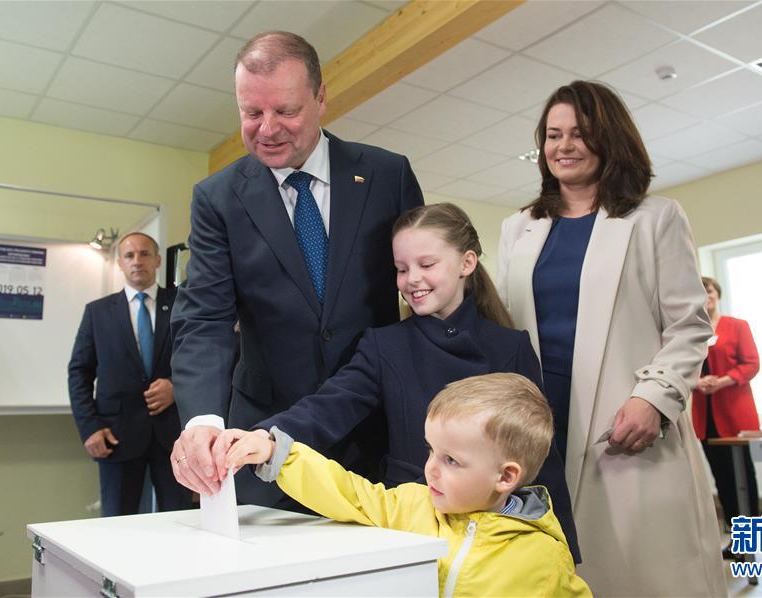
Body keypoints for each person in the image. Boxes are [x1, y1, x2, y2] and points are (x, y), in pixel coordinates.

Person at [179, 202, 579, 559]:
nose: (412, 279)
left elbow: (541, 456)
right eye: (402, 269)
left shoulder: (510, 346)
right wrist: (264, 438)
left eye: (426, 265)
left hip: (499, 539)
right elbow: (329, 406)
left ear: (466, 263)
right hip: (412, 523)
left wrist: (562, 546)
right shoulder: (385, 344)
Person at [169, 30, 423, 508]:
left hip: (373, 429)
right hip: (261, 435)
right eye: (251, 113)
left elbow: (426, 294)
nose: (267, 129)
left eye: (285, 111)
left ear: (321, 98)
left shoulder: (387, 176)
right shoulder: (218, 199)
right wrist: (202, 419)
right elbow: (204, 318)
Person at [496, 80, 726, 596]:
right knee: (557, 572)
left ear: (610, 138)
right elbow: (506, 324)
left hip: (626, 418)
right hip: (542, 421)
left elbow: (690, 326)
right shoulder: (519, 227)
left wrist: (654, 399)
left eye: (579, 133)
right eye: (553, 135)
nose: (564, 146)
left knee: (642, 572)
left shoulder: (654, 218)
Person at [216, 373, 591, 597]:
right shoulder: (414, 505)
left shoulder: (545, 559)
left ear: (506, 477)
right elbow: (349, 493)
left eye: (451, 460)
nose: (430, 469)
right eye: (431, 451)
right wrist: (277, 454)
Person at [68, 232, 191, 516]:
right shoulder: (98, 313)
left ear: (157, 260)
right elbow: (79, 373)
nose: (137, 261)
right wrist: (89, 427)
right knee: (116, 524)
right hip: (116, 436)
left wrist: (177, 386)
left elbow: (202, 358)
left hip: (174, 435)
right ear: (120, 264)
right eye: (129, 255)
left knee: (182, 520)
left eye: (144, 254)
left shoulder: (182, 304)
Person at [692, 276, 761, 553]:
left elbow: (751, 364)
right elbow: (685, 369)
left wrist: (722, 381)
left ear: (717, 293)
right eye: (699, 291)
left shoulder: (737, 326)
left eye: (708, 290)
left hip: (735, 416)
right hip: (706, 417)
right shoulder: (692, 331)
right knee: (722, 479)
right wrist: (697, 382)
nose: (705, 295)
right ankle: (736, 539)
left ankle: (750, 539)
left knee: (744, 478)